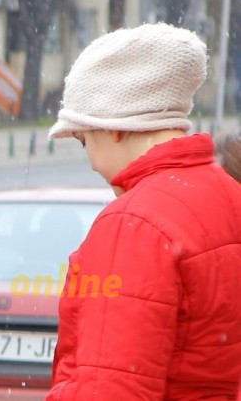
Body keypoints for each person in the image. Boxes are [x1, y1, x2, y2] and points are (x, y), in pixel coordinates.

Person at [45, 23, 241, 399]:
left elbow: (113, 390)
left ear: (115, 128)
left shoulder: (134, 224)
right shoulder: (230, 195)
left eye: (84, 139)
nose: (90, 162)